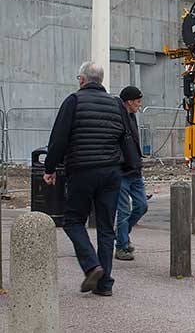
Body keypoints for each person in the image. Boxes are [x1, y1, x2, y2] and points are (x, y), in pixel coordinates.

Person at [44, 61, 126, 296]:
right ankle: (105, 284)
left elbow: (59, 139)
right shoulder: (115, 103)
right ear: (100, 80)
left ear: (82, 80)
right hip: (111, 172)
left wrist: (50, 169)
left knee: (72, 220)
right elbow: (124, 135)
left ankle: (91, 265)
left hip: (83, 170)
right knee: (105, 228)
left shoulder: (74, 101)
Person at [114, 86, 148, 261]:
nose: (140, 105)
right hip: (122, 171)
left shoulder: (132, 117)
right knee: (124, 210)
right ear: (129, 102)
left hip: (134, 170)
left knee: (142, 205)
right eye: (138, 101)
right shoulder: (118, 117)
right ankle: (121, 245)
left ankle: (121, 235)